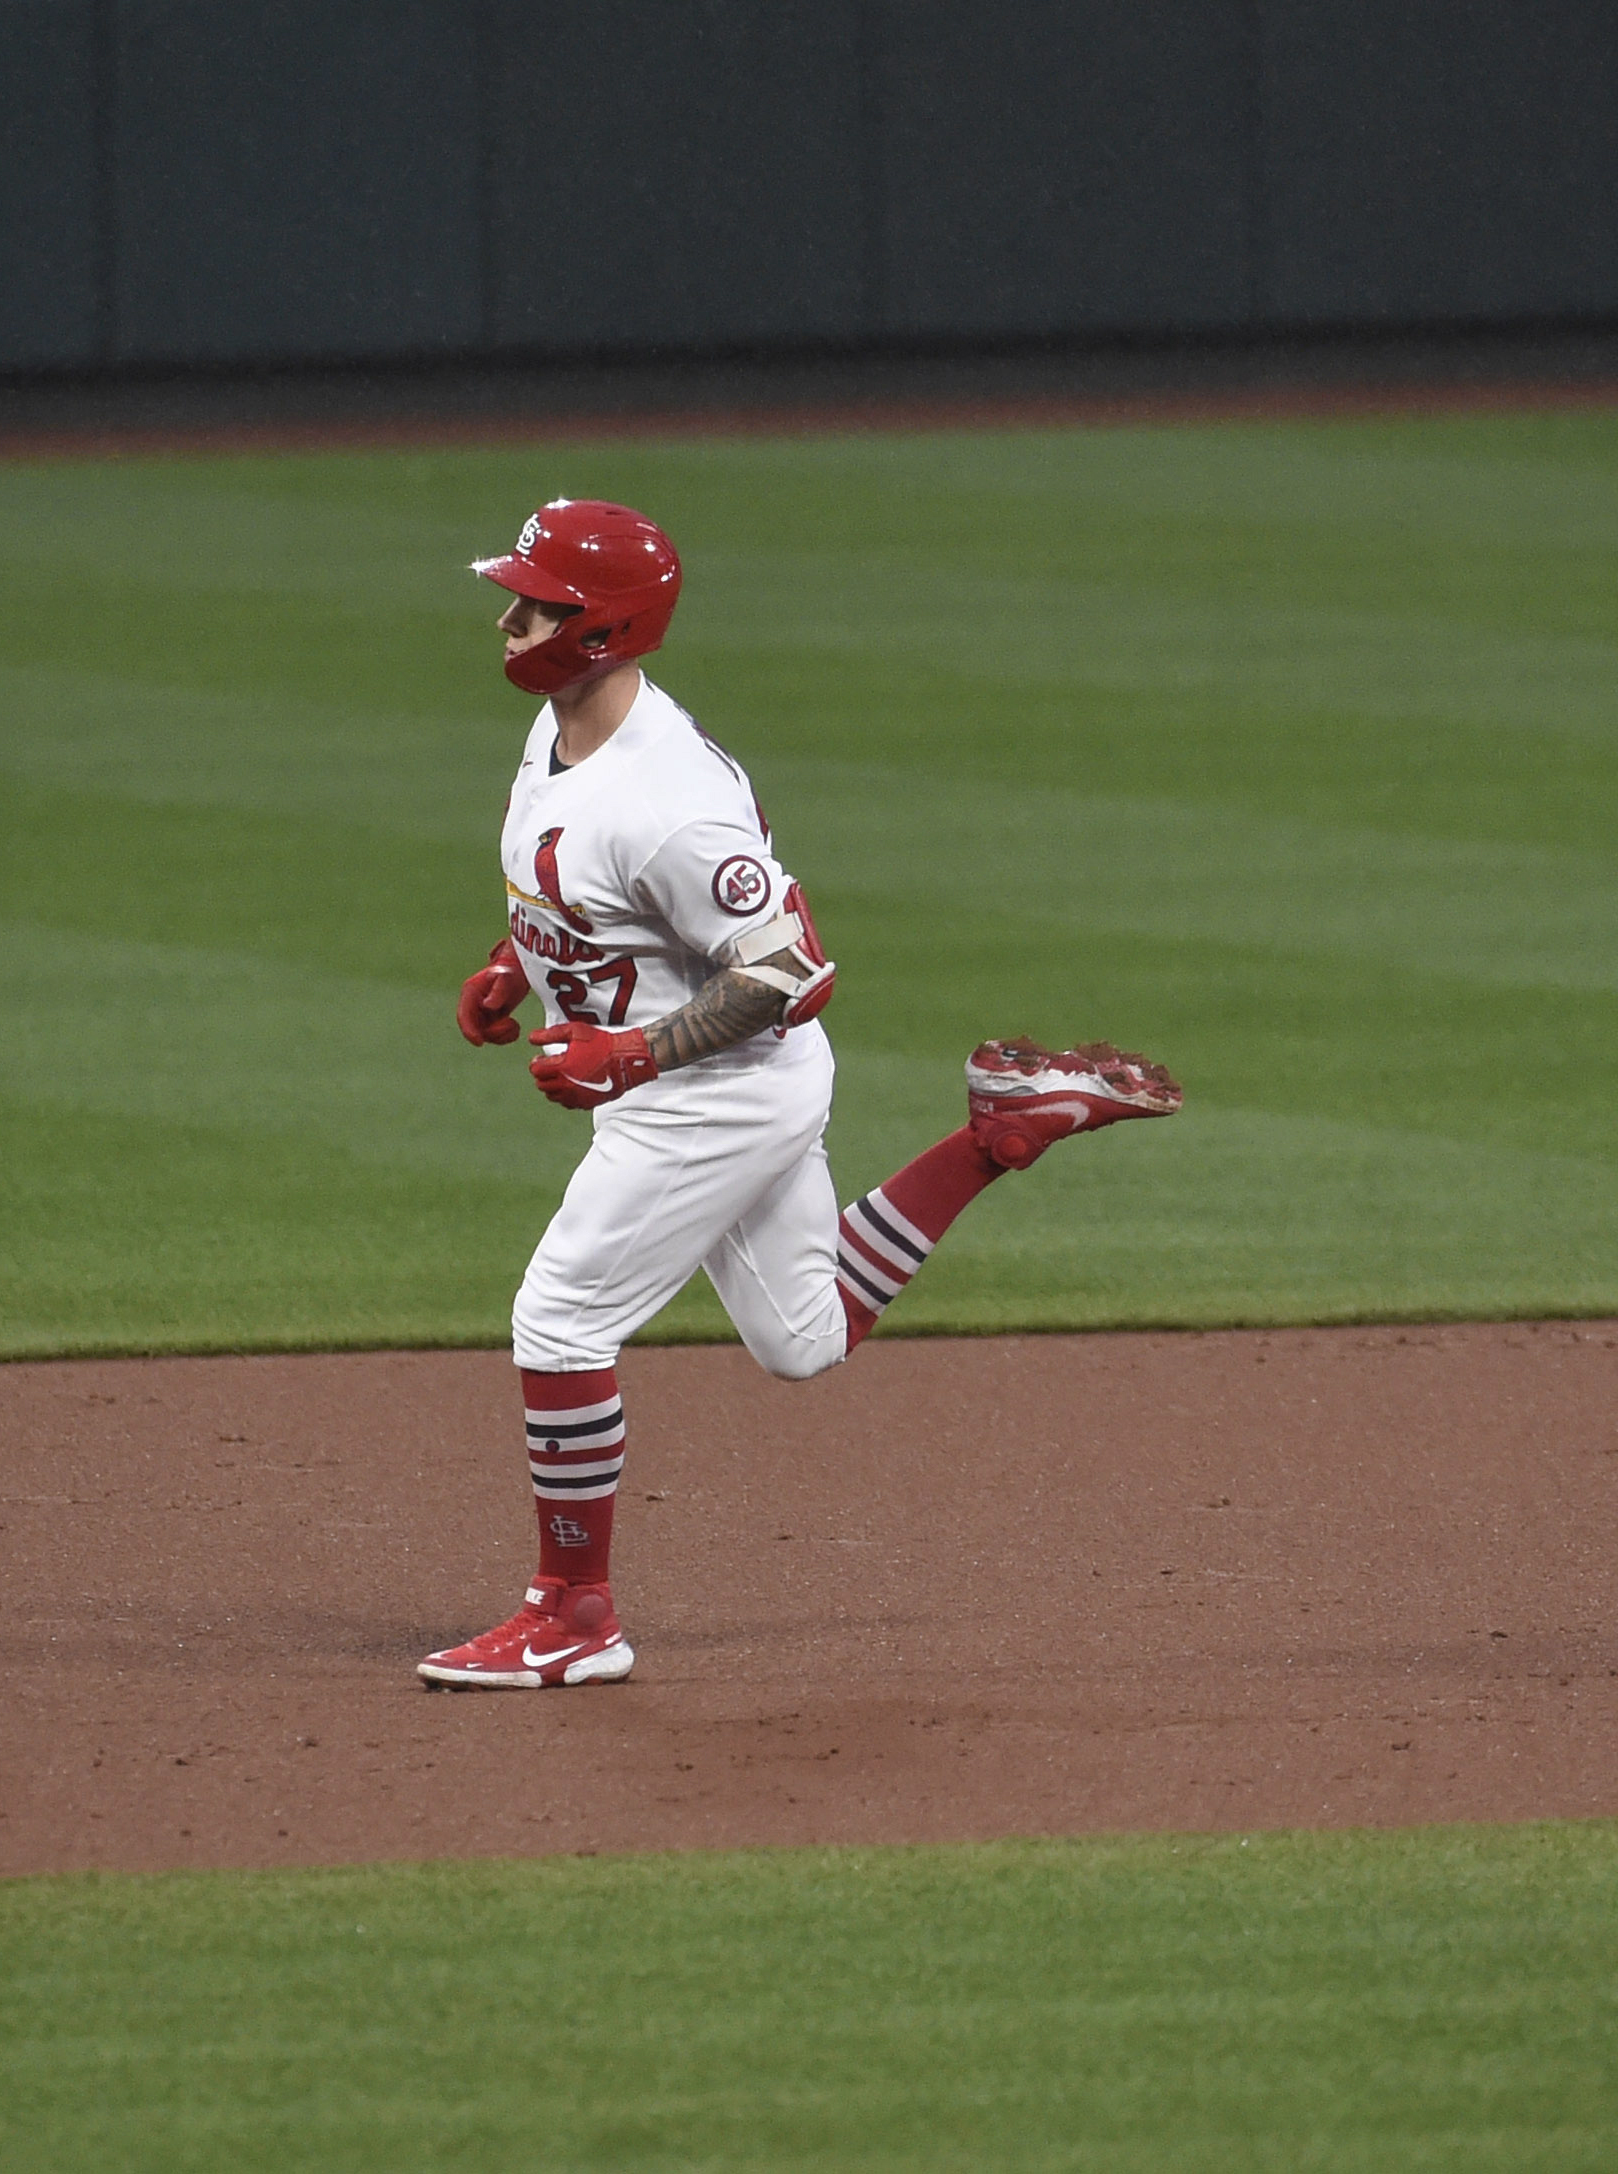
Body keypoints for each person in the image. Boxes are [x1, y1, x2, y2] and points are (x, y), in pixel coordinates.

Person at [418, 498, 1181, 1690]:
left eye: (539, 604)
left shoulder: (669, 799)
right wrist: (517, 965)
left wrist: (627, 1058)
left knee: (560, 1318)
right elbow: (586, 893)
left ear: (606, 632)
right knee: (803, 1339)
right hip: (720, 1082)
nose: (510, 622)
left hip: (711, 1093)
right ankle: (1002, 1131)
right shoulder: (568, 731)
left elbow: (793, 969)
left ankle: (575, 1612)